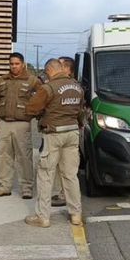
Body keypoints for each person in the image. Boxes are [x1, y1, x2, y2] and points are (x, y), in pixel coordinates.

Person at [24, 58, 84, 228]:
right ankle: (76, 215)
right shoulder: (77, 87)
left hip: (54, 133)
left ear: (50, 70)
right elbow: (80, 111)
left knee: (46, 174)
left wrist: (42, 112)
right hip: (72, 132)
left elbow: (31, 109)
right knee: (70, 175)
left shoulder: (48, 88)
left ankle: (43, 217)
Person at [0, 52, 40, 199]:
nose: (14, 67)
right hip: (4, 123)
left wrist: (35, 115)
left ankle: (27, 188)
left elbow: (42, 99)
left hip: (22, 124)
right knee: (4, 155)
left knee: (24, 156)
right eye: (11, 64)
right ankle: (4, 186)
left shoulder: (33, 81)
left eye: (17, 64)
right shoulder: (2, 81)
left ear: (23, 64)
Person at [51, 56, 76, 208]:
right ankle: (63, 196)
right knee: (59, 167)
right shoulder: (75, 86)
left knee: (64, 168)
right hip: (66, 130)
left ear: (66, 69)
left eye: (59, 65)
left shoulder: (64, 87)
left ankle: (62, 195)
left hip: (60, 131)